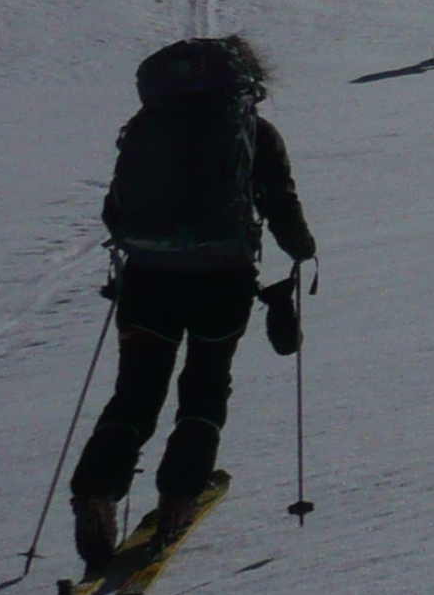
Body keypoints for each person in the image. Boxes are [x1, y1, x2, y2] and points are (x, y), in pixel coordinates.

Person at [70, 35, 318, 562]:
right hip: (220, 281)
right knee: (205, 389)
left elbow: (115, 213)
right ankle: (179, 498)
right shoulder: (253, 131)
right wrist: (301, 250)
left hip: (147, 280)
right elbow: (280, 201)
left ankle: (96, 491)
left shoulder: (146, 126)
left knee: (135, 394)